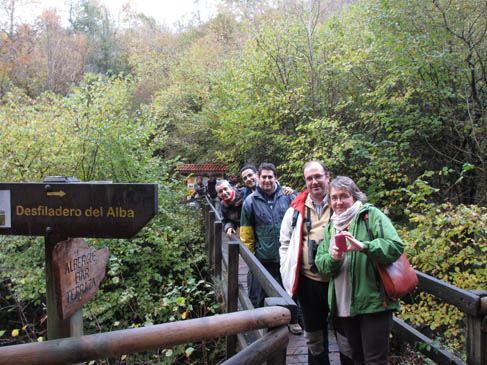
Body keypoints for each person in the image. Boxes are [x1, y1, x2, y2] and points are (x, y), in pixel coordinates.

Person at [315, 176, 404, 365]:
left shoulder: (370, 216)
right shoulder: (332, 226)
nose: (338, 202)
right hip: (344, 305)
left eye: (344, 196)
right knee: (357, 358)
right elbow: (321, 264)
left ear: (354, 197)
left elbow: (395, 247)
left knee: (375, 360)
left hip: (373, 303)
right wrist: (334, 258)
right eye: (334, 197)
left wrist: (364, 246)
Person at [280, 161, 332, 364]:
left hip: (340, 282)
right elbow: (284, 243)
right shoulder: (296, 209)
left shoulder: (341, 202)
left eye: (318, 176)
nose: (314, 181)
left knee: (346, 336)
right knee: (314, 336)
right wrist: (288, 272)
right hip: (308, 282)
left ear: (327, 176)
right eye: (309, 178)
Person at [240, 162, 295, 309]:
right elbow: (246, 234)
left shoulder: (288, 197)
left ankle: (292, 321)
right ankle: (264, 326)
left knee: (289, 293)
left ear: (276, 177)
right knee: (261, 296)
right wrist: (251, 260)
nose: (267, 180)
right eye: (263, 177)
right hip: (263, 257)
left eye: (270, 177)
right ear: (258, 177)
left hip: (286, 257)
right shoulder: (250, 201)